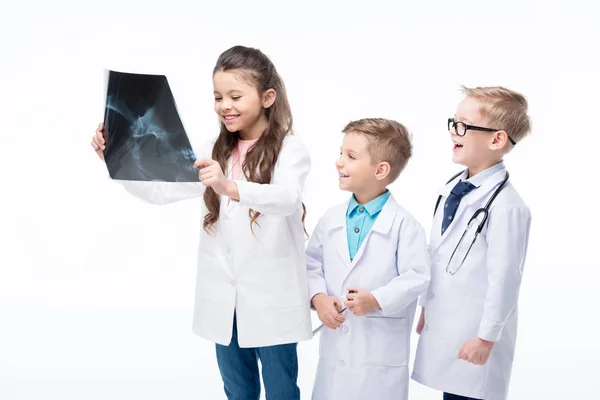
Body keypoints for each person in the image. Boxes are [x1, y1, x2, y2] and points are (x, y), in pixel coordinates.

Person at [91, 45, 312, 400]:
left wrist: (230, 186)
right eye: (218, 96)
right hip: (225, 301)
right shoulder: (214, 148)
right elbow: (162, 192)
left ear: (268, 97)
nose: (225, 105)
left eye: (235, 96)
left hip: (272, 300)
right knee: (238, 391)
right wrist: (114, 157)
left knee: (281, 390)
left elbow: (286, 200)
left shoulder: (290, 148)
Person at [411, 86, 533, 400]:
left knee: (472, 393)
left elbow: (505, 279)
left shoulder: (508, 206)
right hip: (449, 325)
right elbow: (438, 256)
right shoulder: (451, 189)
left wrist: (487, 339)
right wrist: (427, 305)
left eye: (464, 126)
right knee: (453, 393)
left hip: (478, 335)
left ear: (497, 139)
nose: (454, 131)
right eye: (453, 122)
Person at [306, 118, 430, 400]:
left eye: (350, 156)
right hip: (335, 351)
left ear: (381, 169)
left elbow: (417, 277)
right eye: (340, 153)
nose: (339, 162)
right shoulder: (331, 219)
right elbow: (310, 264)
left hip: (379, 356)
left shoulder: (405, 226)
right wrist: (319, 298)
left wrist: (376, 299)